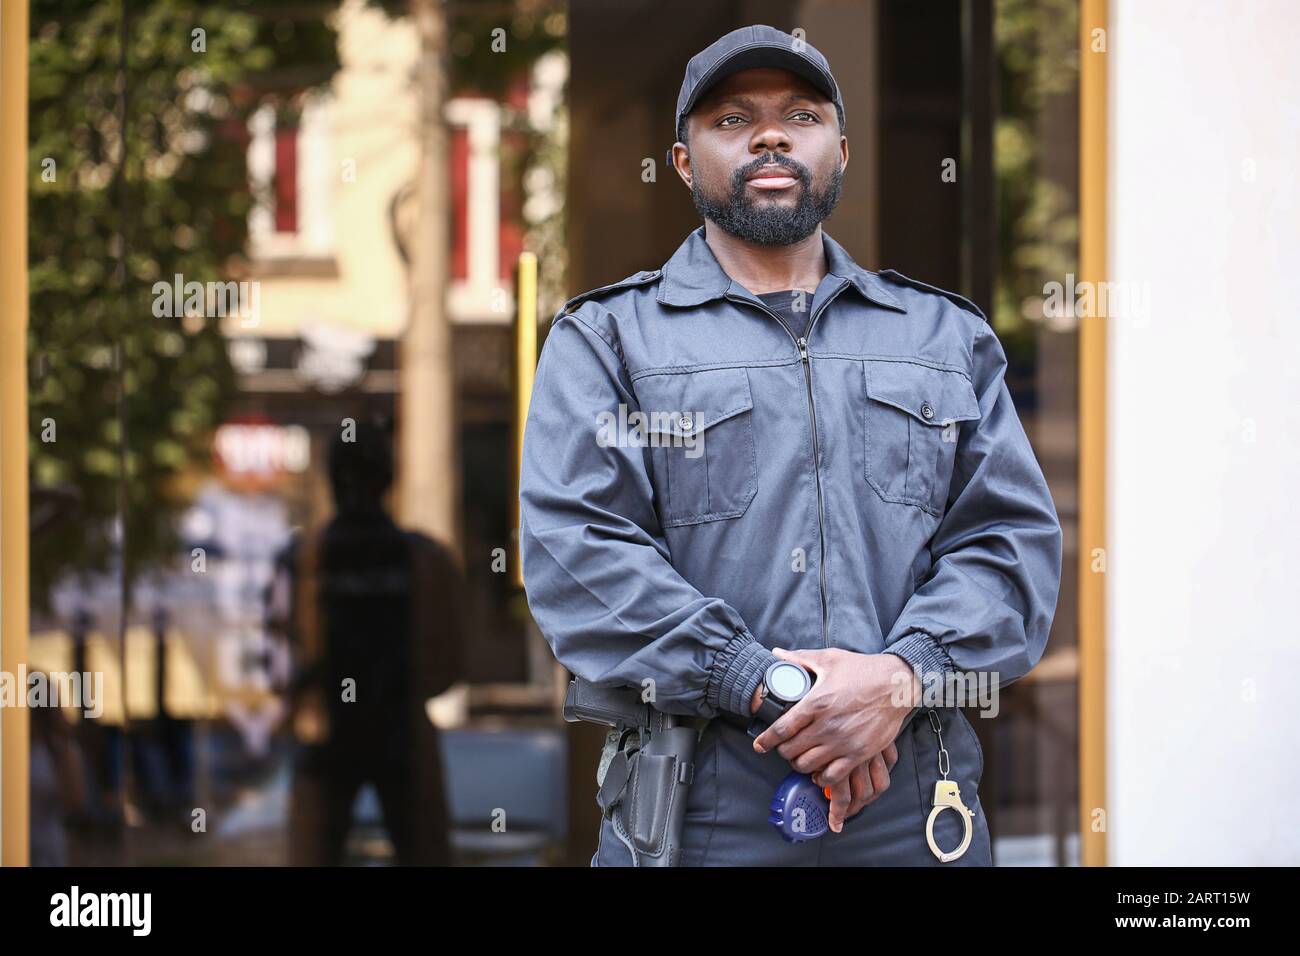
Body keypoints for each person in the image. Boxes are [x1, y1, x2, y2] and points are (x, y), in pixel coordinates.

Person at [519, 24, 1062, 866]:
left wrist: (899, 678)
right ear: (682, 163)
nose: (770, 134)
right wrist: (764, 683)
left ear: (840, 152)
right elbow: (578, 554)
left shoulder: (942, 338)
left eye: (799, 115)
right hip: (698, 812)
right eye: (732, 120)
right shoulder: (607, 342)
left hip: (915, 805)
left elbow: (1011, 547)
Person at [270, 418, 464, 865]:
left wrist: (310, 698)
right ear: (389, 478)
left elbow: (277, 659)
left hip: (328, 736)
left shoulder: (301, 558)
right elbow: (450, 665)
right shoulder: (426, 558)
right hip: (401, 734)